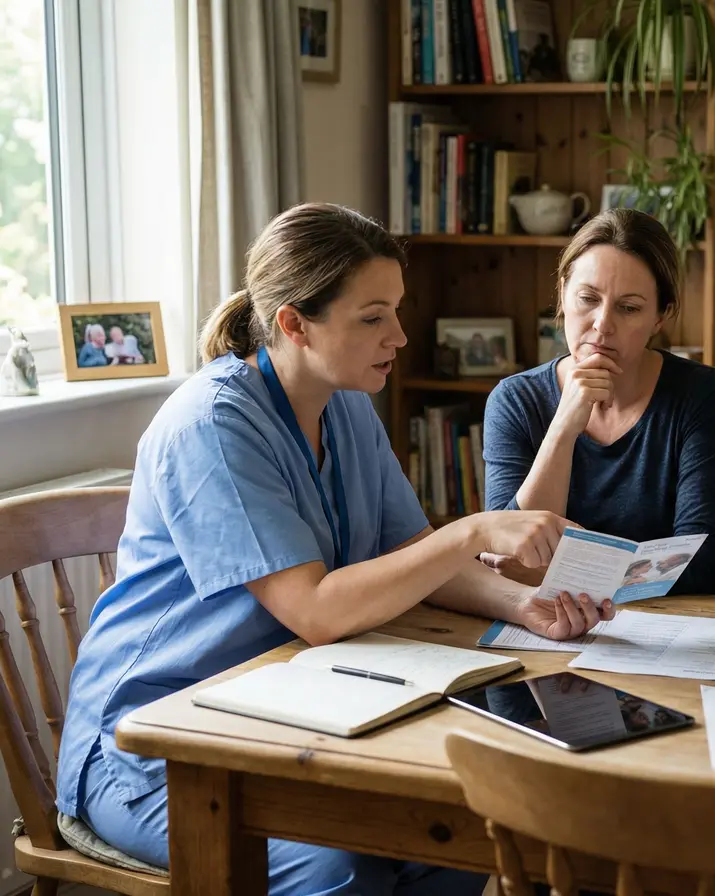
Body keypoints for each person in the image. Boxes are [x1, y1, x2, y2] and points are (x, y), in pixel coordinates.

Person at [55, 202, 612, 896]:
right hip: (153, 742)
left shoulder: (345, 402)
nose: (399, 336)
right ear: (294, 324)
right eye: (373, 318)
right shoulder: (212, 425)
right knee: (345, 868)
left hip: (292, 705)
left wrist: (524, 605)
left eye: (396, 312)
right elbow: (316, 611)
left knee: (461, 831)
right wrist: (473, 530)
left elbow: (419, 557)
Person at [481, 208, 715, 596]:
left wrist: (559, 572)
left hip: (669, 619)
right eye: (588, 298)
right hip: (546, 620)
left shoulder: (701, 394)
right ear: (563, 293)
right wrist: (563, 428)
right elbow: (508, 556)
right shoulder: (515, 400)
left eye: (628, 307)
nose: (602, 324)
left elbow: (701, 561)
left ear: (660, 317)